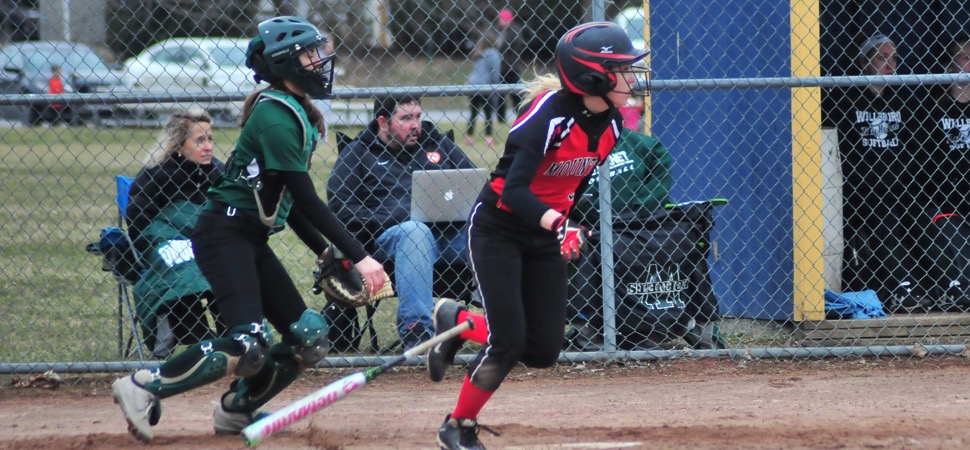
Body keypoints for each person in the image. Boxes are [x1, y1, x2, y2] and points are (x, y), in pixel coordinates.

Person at [110, 16, 387, 443]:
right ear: (284, 63)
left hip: (248, 238)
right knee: (248, 343)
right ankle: (145, 384)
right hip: (223, 235)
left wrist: (324, 252)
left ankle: (236, 410)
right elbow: (309, 198)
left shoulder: (297, 112)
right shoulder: (275, 116)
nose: (320, 61)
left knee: (307, 338)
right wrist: (361, 257)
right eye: (310, 54)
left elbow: (289, 204)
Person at [426, 22, 648, 449]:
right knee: (507, 343)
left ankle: (457, 323)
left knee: (543, 351)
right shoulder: (550, 115)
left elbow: (575, 186)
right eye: (622, 70)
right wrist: (557, 222)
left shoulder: (614, 125)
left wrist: (566, 225)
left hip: (545, 235)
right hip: (499, 230)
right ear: (593, 75)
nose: (632, 80)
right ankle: (457, 425)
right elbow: (513, 191)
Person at [327, 93, 477, 349]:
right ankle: (417, 331)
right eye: (406, 118)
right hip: (390, 242)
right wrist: (388, 219)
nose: (415, 125)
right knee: (414, 230)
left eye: (418, 116)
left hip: (448, 235)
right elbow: (339, 203)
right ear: (383, 121)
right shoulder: (359, 152)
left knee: (490, 232)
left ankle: (506, 325)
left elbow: (474, 184)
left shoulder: (437, 143)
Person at [567, 127, 727, 350]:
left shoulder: (637, 143)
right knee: (585, 244)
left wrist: (636, 210)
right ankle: (591, 329)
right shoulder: (568, 148)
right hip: (591, 226)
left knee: (681, 237)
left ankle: (693, 324)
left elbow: (660, 175)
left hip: (640, 223)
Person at [821, 32, 933, 313]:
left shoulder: (904, 99)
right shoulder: (845, 98)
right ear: (864, 62)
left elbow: (915, 150)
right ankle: (902, 287)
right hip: (860, 189)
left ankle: (941, 285)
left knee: (921, 215)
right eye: (882, 58)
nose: (890, 64)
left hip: (899, 187)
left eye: (893, 58)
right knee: (882, 217)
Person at [126, 107, 224, 359]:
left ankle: (233, 336)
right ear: (179, 146)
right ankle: (197, 336)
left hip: (207, 241)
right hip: (165, 243)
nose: (208, 147)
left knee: (229, 262)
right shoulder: (155, 174)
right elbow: (140, 224)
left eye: (210, 139)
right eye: (199, 140)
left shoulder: (218, 172)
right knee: (184, 266)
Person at [921, 35, 970, 311]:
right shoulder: (934, 108)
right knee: (945, 224)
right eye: (965, 58)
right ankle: (959, 286)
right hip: (943, 193)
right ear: (950, 64)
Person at [465, 28, 502, 146]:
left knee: (473, 112)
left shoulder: (479, 53)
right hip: (484, 86)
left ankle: (469, 137)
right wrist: (496, 87)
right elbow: (495, 73)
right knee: (488, 113)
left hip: (472, 85)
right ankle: (489, 137)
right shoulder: (493, 54)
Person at [495, 8, 529, 122]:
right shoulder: (499, 31)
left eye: (502, 19)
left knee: (516, 94)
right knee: (500, 95)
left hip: (511, 67)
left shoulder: (514, 30)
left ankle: (521, 113)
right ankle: (500, 118)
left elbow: (517, 45)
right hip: (500, 68)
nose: (500, 21)